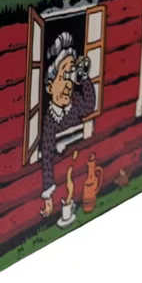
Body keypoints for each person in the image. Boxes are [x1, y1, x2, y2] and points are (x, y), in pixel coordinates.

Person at [40, 31, 96, 217]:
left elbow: (90, 105)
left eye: (70, 78)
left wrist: (83, 76)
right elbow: (47, 154)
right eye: (63, 77)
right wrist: (48, 194)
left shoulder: (76, 103)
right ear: (50, 87)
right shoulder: (50, 120)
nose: (68, 85)